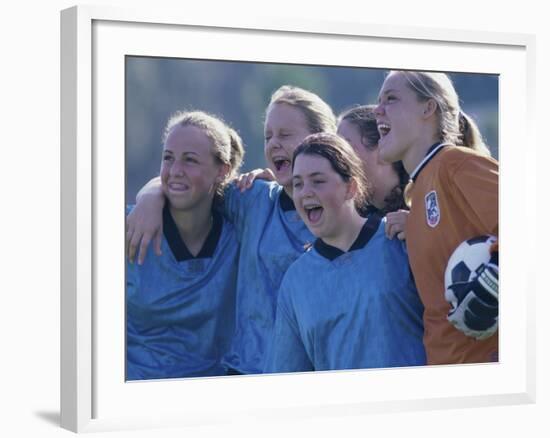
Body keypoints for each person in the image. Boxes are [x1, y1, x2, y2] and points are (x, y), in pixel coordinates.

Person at [126, 85, 337, 374]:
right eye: (268, 136)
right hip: (243, 375)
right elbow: (193, 186)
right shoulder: (253, 200)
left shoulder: (347, 215)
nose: (274, 143)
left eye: (285, 135)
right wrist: (150, 196)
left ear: (323, 140)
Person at [264, 132, 426, 372]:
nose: (305, 191)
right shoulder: (295, 281)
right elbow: (287, 377)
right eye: (298, 184)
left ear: (350, 188)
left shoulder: (398, 241)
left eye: (318, 181)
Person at [373, 70, 499, 365]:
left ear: (428, 108)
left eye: (390, 99)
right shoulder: (417, 193)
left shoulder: (455, 163)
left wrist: (495, 277)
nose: (377, 110)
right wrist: (414, 224)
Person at [126, 110, 244, 380]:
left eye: (190, 160)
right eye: (168, 158)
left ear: (222, 171)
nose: (175, 171)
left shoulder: (241, 234)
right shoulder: (129, 227)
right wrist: (151, 193)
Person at [336, 104, 410, 239]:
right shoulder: (355, 220)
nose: (335, 160)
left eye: (345, 149)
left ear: (382, 151)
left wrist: (422, 230)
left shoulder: (421, 209)